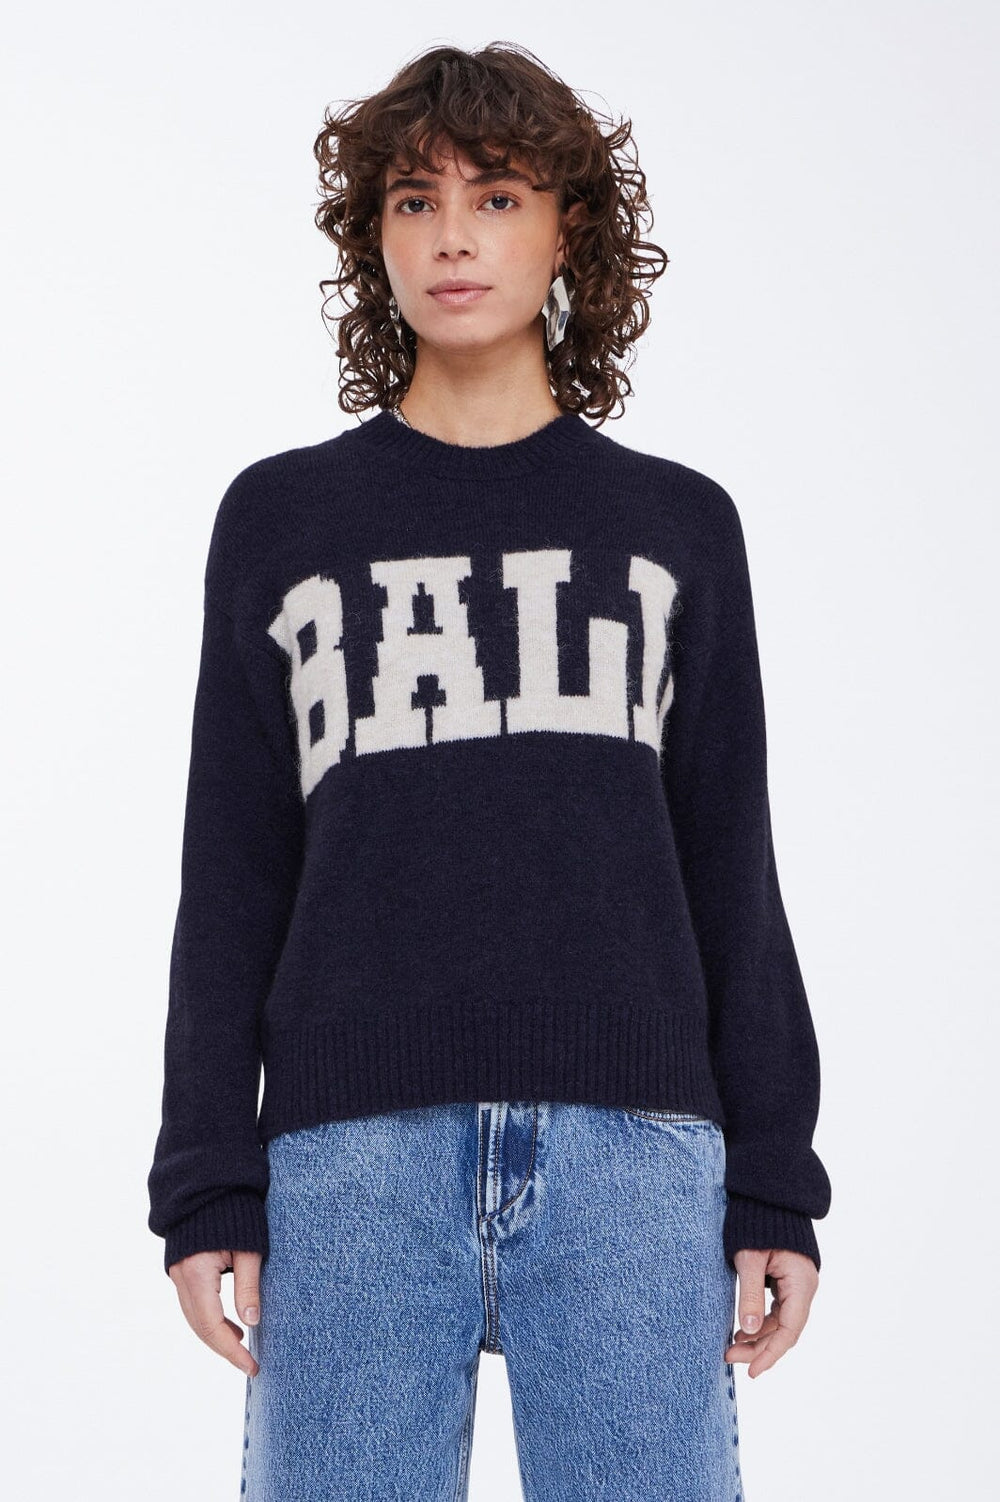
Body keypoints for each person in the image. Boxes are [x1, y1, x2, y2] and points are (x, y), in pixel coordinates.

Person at [147, 40, 832, 1502]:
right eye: (415, 199)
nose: (453, 235)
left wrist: (776, 1174)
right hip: (348, 1161)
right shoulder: (281, 521)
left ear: (568, 229)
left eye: (498, 195)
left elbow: (732, 859)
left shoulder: (676, 527)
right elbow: (231, 869)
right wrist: (207, 1174)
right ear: (374, 238)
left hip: (636, 1156)